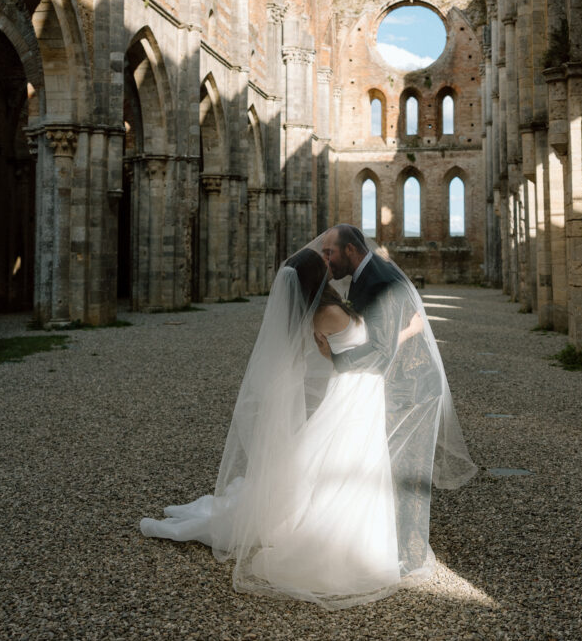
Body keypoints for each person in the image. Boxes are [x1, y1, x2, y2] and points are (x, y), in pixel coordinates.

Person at [140, 230, 476, 608]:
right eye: (325, 261)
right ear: (317, 279)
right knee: (355, 464)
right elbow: (373, 350)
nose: (329, 261)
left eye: (330, 254)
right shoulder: (329, 312)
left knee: (343, 464)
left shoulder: (323, 308)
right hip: (357, 393)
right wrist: (410, 328)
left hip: (357, 392)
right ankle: (362, 542)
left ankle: (376, 537)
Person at [316, 225, 475, 575]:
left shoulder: (378, 280)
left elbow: (382, 349)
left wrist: (338, 360)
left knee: (408, 472)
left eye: (330, 253)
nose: (326, 260)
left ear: (352, 251)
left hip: (412, 389)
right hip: (399, 386)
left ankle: (413, 557)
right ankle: (396, 543)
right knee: (391, 466)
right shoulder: (367, 273)